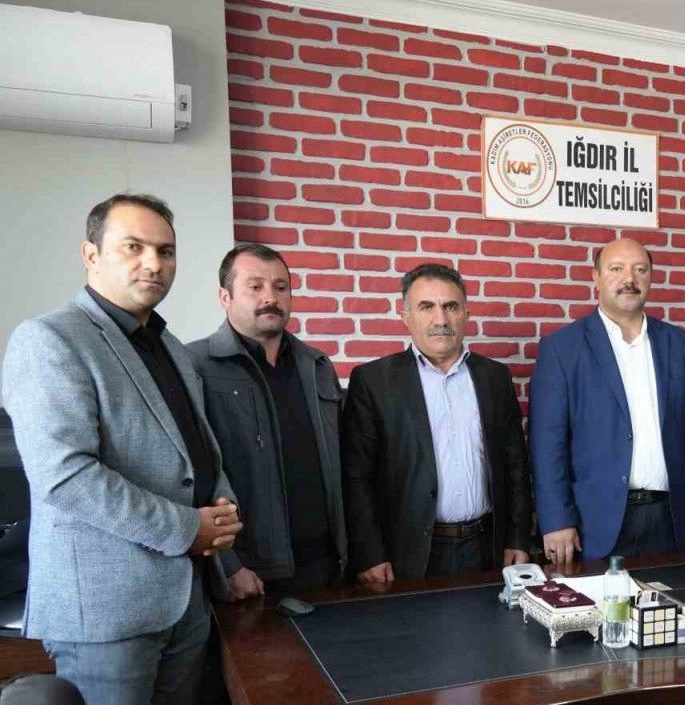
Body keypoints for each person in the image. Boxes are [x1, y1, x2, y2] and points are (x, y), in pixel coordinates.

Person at [2, 193, 241, 704]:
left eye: (165, 251)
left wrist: (222, 515)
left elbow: (194, 450)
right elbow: (65, 477)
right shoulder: (48, 339)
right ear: (91, 254)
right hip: (107, 611)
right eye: (133, 247)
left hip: (187, 597)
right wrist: (188, 529)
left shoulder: (170, 347)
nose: (153, 263)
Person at [530, 238, 685, 569]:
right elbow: (547, 445)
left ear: (651, 277)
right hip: (593, 525)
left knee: (672, 601)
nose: (629, 279)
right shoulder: (562, 349)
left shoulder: (681, 344)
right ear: (596, 277)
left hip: (670, 519)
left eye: (640, 270)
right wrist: (557, 519)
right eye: (616, 269)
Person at [342, 264, 531, 582]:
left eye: (451, 307)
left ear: (466, 315)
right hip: (408, 553)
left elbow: (515, 466)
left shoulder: (494, 377)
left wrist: (518, 538)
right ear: (406, 316)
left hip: (487, 547)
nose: (440, 319)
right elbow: (356, 477)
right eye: (426, 307)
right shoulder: (373, 381)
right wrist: (369, 554)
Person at [188, 244, 346, 597]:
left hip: (325, 565)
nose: (270, 297)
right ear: (225, 297)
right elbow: (190, 478)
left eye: (280, 287)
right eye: (255, 286)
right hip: (250, 573)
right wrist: (229, 565)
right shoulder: (193, 365)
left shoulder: (317, 365)